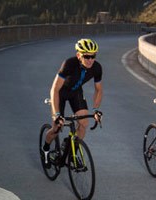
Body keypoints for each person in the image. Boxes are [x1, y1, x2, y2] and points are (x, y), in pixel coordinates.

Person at [42, 38, 104, 168]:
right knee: (57, 127)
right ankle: (46, 150)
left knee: (83, 123)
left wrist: (96, 110)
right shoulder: (69, 64)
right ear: (78, 55)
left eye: (93, 56)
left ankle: (72, 153)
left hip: (75, 92)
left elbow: (98, 90)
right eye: (86, 56)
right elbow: (55, 89)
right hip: (61, 93)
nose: (90, 60)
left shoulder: (97, 68)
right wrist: (57, 114)